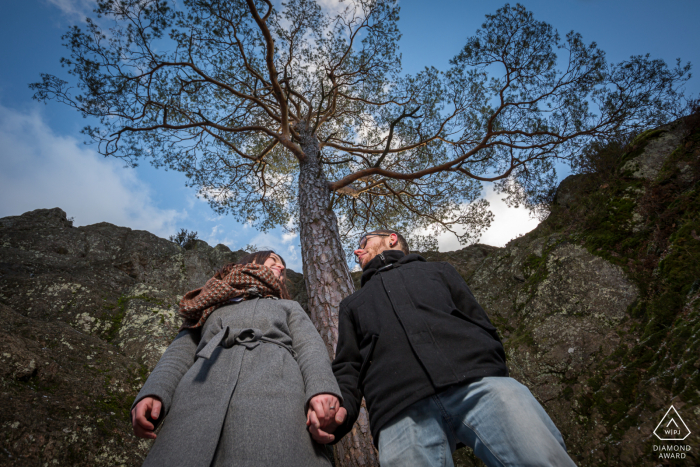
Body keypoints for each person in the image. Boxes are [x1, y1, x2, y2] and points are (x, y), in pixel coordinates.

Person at [306, 231, 577, 467]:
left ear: (392, 239)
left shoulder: (439, 270)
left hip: (480, 386)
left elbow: (479, 321)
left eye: (365, 241)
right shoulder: (353, 304)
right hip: (397, 411)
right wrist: (341, 411)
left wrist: (488, 368)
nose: (357, 250)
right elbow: (348, 366)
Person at [131, 251, 342, 467]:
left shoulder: (289, 306)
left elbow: (310, 346)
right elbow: (180, 351)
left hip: (279, 393)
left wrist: (322, 388)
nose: (280, 268)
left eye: (283, 267)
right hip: (197, 394)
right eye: (274, 261)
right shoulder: (210, 304)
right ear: (251, 262)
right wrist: (155, 391)